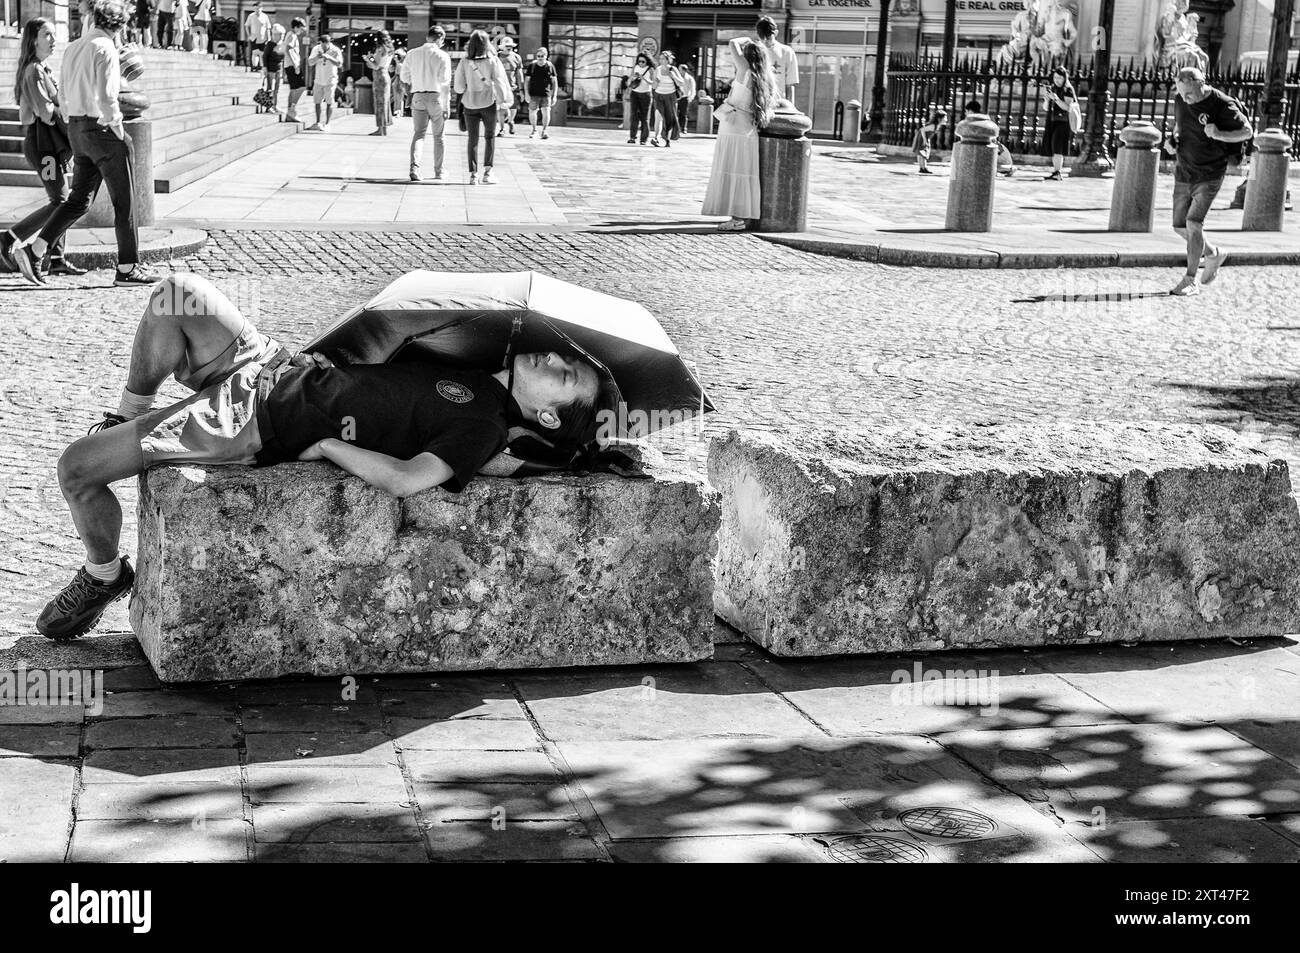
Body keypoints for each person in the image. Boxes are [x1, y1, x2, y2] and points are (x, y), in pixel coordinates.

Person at [35, 273, 606, 641]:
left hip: (255, 420)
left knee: (77, 469)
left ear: (549, 417)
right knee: (174, 293)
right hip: (272, 365)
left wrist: (330, 444)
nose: (554, 361)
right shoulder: (472, 358)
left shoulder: (484, 425)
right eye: (564, 357)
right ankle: (126, 411)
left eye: (565, 377)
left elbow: (408, 480)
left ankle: (104, 575)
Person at [16, 0, 156, 288]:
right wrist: (117, 128)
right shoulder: (105, 49)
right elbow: (107, 97)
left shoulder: (74, 47)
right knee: (125, 202)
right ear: (119, 25)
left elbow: (63, 94)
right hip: (102, 130)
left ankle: (35, 250)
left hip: (78, 129)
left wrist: (74, 122)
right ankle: (128, 267)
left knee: (79, 200)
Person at [0, 18, 86, 280]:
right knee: (61, 201)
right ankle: (9, 238)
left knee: (65, 198)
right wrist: (67, 111)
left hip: (50, 143)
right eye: (47, 34)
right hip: (42, 144)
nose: (53, 38)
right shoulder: (34, 71)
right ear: (33, 39)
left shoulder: (43, 69)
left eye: (53, 33)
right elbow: (46, 113)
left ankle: (57, 257)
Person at [1163, 66, 1252, 296]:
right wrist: (1171, 143)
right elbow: (1179, 127)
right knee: (1179, 226)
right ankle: (1213, 253)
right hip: (1184, 171)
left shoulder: (1222, 104)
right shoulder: (1181, 100)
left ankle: (1190, 279)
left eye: (1189, 94)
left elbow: (1247, 131)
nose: (1185, 99)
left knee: (1194, 224)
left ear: (1201, 84)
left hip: (1210, 173)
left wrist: (1220, 134)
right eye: (1181, 94)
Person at [702, 37, 776, 231]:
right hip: (747, 130)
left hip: (733, 128)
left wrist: (748, 39)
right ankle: (740, 216)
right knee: (743, 172)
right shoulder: (764, 78)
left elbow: (733, 43)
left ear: (747, 57)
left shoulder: (745, 70)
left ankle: (737, 219)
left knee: (731, 169)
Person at [453, 29, 511, 185]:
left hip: (470, 103)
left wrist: (468, 87)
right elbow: (499, 83)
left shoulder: (464, 62)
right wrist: (503, 101)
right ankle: (488, 172)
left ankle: (473, 175)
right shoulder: (493, 61)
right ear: (487, 44)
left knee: (472, 139)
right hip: (488, 103)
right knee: (490, 136)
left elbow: (458, 87)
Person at [402, 24, 451, 182]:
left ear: (427, 37)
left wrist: (415, 80)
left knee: (419, 134)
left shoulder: (412, 53)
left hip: (418, 96)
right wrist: (447, 105)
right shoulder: (443, 56)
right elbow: (445, 81)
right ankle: (439, 171)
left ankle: (414, 167)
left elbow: (404, 77)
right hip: (436, 96)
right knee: (439, 136)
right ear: (441, 39)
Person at [1040, 66, 1076, 181]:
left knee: (1058, 147)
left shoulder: (1068, 90)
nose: (1057, 80)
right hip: (1051, 120)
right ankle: (1055, 171)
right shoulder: (1052, 88)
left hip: (1062, 122)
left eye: (1059, 78)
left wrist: (1056, 99)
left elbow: (1068, 108)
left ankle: (1058, 172)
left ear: (1064, 78)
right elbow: (1046, 108)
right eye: (1055, 77)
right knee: (1052, 146)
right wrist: (1047, 100)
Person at [964, 98, 1015, 176]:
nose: (965, 114)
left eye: (966, 111)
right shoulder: (981, 121)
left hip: (1000, 156)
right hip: (998, 154)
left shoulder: (978, 123)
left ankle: (1009, 168)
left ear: (970, 111)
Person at [756, 15, 797, 103]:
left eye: (769, 37)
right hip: (758, 104)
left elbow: (790, 84)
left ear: (776, 33)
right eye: (762, 38)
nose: (765, 41)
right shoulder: (754, 51)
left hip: (779, 104)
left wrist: (791, 108)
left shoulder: (787, 52)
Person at [306, 31, 342, 132]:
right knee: (317, 101)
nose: (324, 46)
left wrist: (329, 57)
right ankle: (318, 122)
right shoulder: (316, 49)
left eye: (326, 44)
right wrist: (318, 57)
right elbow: (310, 62)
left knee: (329, 101)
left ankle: (327, 123)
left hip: (330, 79)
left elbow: (339, 63)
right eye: (322, 44)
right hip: (318, 79)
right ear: (320, 43)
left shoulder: (335, 50)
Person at [649, 51, 684, 148]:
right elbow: (654, 86)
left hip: (670, 96)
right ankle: (656, 138)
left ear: (668, 60)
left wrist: (674, 76)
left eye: (663, 59)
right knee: (658, 116)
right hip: (659, 96)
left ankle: (667, 140)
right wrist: (656, 82)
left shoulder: (673, 69)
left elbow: (681, 83)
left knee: (669, 119)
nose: (661, 60)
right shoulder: (657, 70)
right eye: (660, 59)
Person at [364, 30, 395, 137]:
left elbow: (376, 65)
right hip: (386, 75)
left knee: (379, 103)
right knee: (385, 103)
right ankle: (384, 128)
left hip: (379, 76)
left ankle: (380, 129)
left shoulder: (380, 48)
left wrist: (368, 59)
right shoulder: (390, 49)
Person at [524, 46, 557, 140]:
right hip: (533, 94)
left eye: (542, 56)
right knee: (532, 112)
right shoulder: (532, 66)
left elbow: (555, 82)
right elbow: (527, 81)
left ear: (546, 56)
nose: (540, 58)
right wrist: (526, 93)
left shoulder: (550, 66)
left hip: (546, 94)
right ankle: (534, 130)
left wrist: (554, 95)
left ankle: (544, 131)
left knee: (546, 112)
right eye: (538, 56)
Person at [494, 36, 524, 136]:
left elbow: (519, 74)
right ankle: (502, 128)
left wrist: (522, 89)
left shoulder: (516, 57)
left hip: (512, 87)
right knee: (501, 108)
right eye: (507, 46)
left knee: (513, 107)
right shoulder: (496, 56)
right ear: (502, 46)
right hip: (500, 87)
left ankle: (511, 121)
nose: (509, 47)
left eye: (511, 46)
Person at [282, 17, 308, 122]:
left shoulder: (290, 35)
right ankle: (292, 110)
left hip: (289, 65)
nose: (301, 31)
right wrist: (295, 65)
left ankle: (290, 113)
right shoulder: (292, 36)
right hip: (292, 65)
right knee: (301, 87)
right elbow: (288, 49)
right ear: (296, 27)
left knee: (293, 89)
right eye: (301, 29)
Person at [625, 52, 654, 146]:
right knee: (633, 116)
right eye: (639, 61)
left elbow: (653, 83)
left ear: (647, 61)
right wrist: (633, 78)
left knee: (644, 118)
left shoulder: (650, 69)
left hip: (646, 95)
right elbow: (629, 80)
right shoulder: (636, 67)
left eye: (643, 61)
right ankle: (632, 137)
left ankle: (643, 139)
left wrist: (643, 78)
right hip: (635, 94)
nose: (640, 63)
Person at [262, 23, 285, 113]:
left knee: (277, 89)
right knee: (270, 88)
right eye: (274, 34)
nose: (275, 36)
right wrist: (265, 67)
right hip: (270, 69)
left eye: (278, 34)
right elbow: (265, 56)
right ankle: (269, 106)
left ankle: (275, 105)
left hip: (279, 69)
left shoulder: (282, 44)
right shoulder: (270, 44)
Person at [913, 108, 944, 174]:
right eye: (944, 118)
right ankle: (923, 168)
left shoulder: (935, 125)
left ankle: (922, 167)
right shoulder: (933, 125)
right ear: (939, 119)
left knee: (922, 153)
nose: (946, 119)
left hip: (923, 137)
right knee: (922, 152)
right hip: (922, 137)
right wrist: (925, 140)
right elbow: (922, 130)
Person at [242, 1, 270, 70]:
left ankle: (260, 67)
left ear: (261, 8)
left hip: (263, 38)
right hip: (254, 37)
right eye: (255, 9)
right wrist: (249, 35)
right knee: (255, 52)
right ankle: (254, 66)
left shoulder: (265, 16)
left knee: (262, 53)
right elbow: (246, 26)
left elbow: (268, 28)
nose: (256, 10)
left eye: (258, 8)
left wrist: (269, 38)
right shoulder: (251, 16)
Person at [675, 61, 697, 139]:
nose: (679, 71)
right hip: (677, 97)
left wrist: (691, 97)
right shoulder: (677, 77)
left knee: (683, 114)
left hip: (685, 97)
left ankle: (683, 128)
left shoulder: (689, 78)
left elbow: (692, 88)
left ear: (684, 70)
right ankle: (676, 128)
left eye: (680, 70)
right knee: (676, 113)